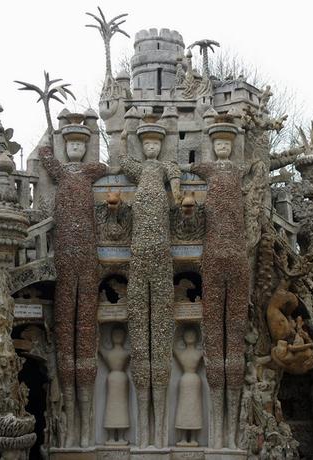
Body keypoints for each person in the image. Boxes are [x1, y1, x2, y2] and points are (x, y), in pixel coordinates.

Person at [182, 121, 250, 448]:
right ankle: (218, 432)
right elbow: (192, 163)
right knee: (215, 330)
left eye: (227, 144)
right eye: (218, 144)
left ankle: (230, 434)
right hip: (212, 254)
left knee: (233, 330)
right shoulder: (208, 169)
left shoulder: (238, 171)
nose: (223, 148)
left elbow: (259, 165)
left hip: (235, 255)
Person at [39, 124, 107, 447]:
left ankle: (86, 425)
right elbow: (46, 158)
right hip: (65, 259)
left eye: (81, 144)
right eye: (72, 145)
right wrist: (48, 134)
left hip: (88, 261)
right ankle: (68, 427)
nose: (76, 150)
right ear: (65, 147)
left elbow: (103, 166)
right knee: (66, 331)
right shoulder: (63, 174)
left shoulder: (87, 174)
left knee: (85, 332)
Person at [119, 120, 181, 448]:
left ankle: (158, 434)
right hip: (138, 254)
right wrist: (123, 131)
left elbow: (177, 177)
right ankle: (144, 430)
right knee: (140, 338)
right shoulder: (138, 169)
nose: (152, 148)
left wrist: (180, 190)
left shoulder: (167, 167)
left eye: (157, 143)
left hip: (162, 255)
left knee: (160, 335)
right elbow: (121, 161)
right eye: (148, 144)